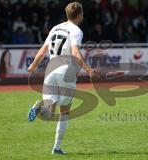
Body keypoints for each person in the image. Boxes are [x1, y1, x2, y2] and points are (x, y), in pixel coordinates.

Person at [27, 2, 99, 155]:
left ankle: (38, 107)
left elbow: (43, 50)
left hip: (51, 69)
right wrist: (88, 69)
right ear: (79, 15)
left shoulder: (55, 28)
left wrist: (33, 66)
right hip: (66, 70)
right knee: (65, 111)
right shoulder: (76, 31)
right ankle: (57, 148)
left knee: (49, 112)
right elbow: (75, 52)